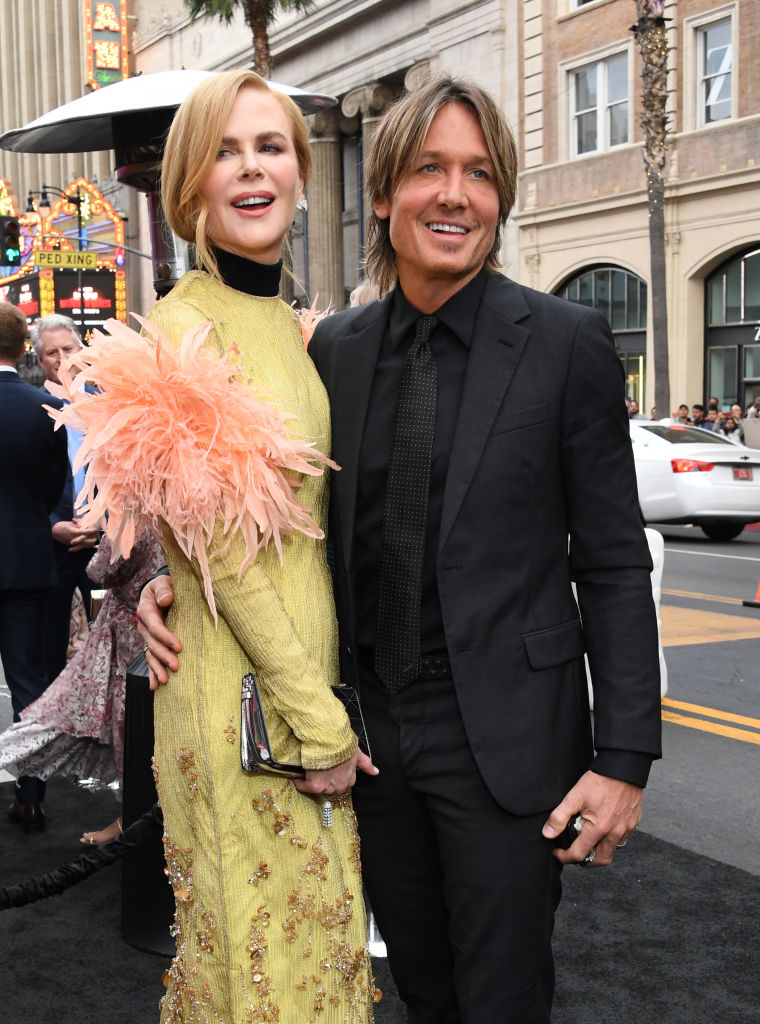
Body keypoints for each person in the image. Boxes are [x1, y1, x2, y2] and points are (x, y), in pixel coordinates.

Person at [140, 76, 662, 1022]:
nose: (454, 195)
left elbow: (616, 563)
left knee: (501, 999)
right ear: (384, 193)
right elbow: (263, 512)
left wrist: (625, 758)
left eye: (478, 174)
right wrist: (166, 588)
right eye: (429, 169)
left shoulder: (565, 342)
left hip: (504, 742)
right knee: (417, 991)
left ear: (500, 198)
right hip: (367, 733)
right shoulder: (331, 349)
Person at [55, 69, 378, 1022]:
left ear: (302, 173)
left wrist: (162, 585)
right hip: (248, 703)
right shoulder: (184, 330)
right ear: (191, 182)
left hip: (293, 684)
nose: (251, 170)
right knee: (260, 971)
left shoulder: (289, 325)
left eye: (270, 147)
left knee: (309, 950)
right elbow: (228, 563)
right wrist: (315, 720)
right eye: (226, 151)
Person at [0, 529, 165, 844]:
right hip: (157, 629)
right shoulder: (178, 512)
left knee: (123, 728)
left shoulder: (134, 513)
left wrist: (104, 533)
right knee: (148, 727)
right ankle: (138, 816)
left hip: (129, 636)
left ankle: (133, 819)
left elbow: (102, 569)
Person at [0, 301, 69, 825]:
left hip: (24, 556)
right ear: (23, 349)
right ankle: (31, 794)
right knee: (29, 679)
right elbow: (52, 490)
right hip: (26, 559)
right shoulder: (44, 410)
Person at [31, 314, 100, 683]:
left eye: (67, 349)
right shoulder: (33, 409)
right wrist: (51, 525)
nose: (61, 358)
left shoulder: (110, 403)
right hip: (53, 542)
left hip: (105, 540)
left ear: (81, 350)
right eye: (51, 352)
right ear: (41, 361)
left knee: (111, 642)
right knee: (50, 646)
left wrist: (100, 525)